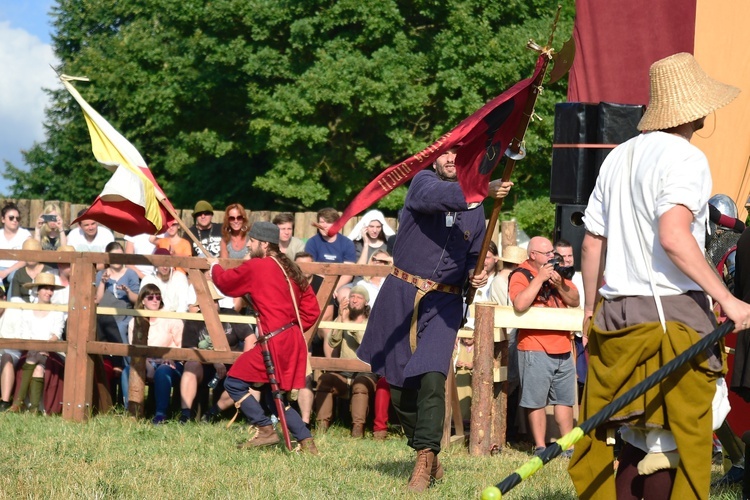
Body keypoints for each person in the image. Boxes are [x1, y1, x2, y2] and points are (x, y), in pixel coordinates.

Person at [569, 53, 750, 500]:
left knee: (632, 432)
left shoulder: (617, 158)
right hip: (673, 316)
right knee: (678, 435)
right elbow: (673, 236)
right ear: (696, 110)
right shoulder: (687, 158)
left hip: (614, 315)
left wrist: (591, 309)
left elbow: (592, 243)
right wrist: (726, 299)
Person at [356, 147, 512, 492]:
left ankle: (425, 459)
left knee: (431, 375)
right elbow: (437, 198)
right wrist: (483, 187)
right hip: (401, 296)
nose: (451, 159)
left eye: (460, 155)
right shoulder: (421, 183)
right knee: (397, 387)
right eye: (445, 154)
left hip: (445, 301)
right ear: (434, 159)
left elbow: (474, 254)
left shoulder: (477, 208)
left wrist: (476, 272)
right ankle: (429, 452)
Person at [209, 222, 320, 453]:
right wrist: (290, 327)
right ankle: (307, 442)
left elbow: (226, 283)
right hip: (291, 339)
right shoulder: (291, 268)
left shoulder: (258, 266)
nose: (248, 244)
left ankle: (265, 429)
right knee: (275, 396)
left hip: (275, 341)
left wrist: (214, 268)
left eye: (253, 241)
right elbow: (311, 312)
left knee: (234, 381)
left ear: (264, 244)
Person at [508, 236, 579, 457]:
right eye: (547, 253)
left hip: (563, 346)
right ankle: (540, 447)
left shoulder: (556, 272)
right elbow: (520, 303)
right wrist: (539, 279)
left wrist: (559, 285)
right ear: (533, 255)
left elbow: (575, 299)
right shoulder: (520, 274)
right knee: (536, 400)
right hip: (534, 346)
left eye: (552, 253)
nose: (552, 256)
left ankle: (568, 446)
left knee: (565, 400)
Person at [179, 281, 254, 423]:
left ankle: (212, 413)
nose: (212, 305)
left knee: (245, 375)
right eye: (207, 302)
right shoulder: (194, 320)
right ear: (200, 304)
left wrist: (245, 362)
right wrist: (214, 361)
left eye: (214, 301)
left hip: (233, 365)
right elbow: (191, 349)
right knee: (191, 366)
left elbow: (250, 337)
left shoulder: (230, 314)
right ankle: (186, 415)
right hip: (204, 364)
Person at [314, 285, 374, 437]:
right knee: (325, 379)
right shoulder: (341, 319)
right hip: (343, 373)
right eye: (352, 297)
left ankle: (357, 429)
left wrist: (348, 323)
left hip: (365, 374)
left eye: (358, 298)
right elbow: (333, 342)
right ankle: (321, 426)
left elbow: (366, 343)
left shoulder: (371, 322)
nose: (354, 300)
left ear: (366, 302)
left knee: (360, 384)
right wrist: (341, 318)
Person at [8, 273, 65, 413]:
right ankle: (32, 408)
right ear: (37, 290)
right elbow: (24, 334)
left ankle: (19, 403)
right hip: (30, 351)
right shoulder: (27, 310)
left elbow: (56, 334)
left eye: (51, 289)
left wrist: (45, 347)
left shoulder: (57, 311)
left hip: (51, 351)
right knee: (36, 366)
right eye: (45, 288)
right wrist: (34, 348)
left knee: (36, 362)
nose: (49, 292)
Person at [128, 284, 184, 424]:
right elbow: (134, 350)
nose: (155, 300)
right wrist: (148, 367)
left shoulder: (171, 319)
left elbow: (181, 345)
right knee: (127, 371)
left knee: (163, 371)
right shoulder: (134, 321)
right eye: (151, 297)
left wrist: (170, 357)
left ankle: (160, 414)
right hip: (145, 362)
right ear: (142, 301)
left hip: (170, 363)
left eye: (158, 297)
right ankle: (132, 412)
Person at [95, 241, 140, 403]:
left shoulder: (131, 274)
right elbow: (97, 300)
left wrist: (128, 291)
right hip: (105, 317)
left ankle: (123, 366)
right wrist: (102, 283)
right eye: (114, 255)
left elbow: (136, 300)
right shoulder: (101, 274)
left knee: (121, 328)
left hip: (124, 315)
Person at [305, 207, 357, 289]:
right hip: (318, 283)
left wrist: (335, 288)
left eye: (328, 222)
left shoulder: (347, 243)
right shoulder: (312, 242)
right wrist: (327, 286)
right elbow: (311, 269)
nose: (324, 225)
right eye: (321, 222)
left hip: (340, 284)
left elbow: (348, 273)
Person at [140, 248, 189, 313]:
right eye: (161, 263)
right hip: (154, 318)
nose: (165, 267)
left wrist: (178, 320)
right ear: (155, 264)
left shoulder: (180, 277)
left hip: (176, 318)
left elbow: (183, 304)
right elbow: (143, 303)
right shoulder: (148, 279)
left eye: (167, 263)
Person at [0, 202, 32, 293]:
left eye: (17, 218)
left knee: (15, 277)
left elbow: (26, 259)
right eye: (11, 218)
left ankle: (11, 306)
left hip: (16, 269)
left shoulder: (25, 234)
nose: (15, 220)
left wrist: (6, 271)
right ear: (3, 219)